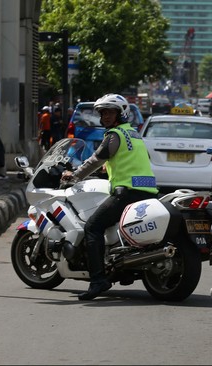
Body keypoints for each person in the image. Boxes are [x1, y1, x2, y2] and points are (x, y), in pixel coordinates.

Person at [61, 93, 158, 300]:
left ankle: (98, 280)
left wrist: (74, 175)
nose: (105, 116)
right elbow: (134, 159)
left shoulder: (113, 135)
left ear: (121, 113)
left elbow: (97, 158)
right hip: (148, 191)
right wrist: (108, 170)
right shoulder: (134, 134)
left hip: (127, 192)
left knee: (92, 227)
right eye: (103, 112)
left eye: (110, 112)